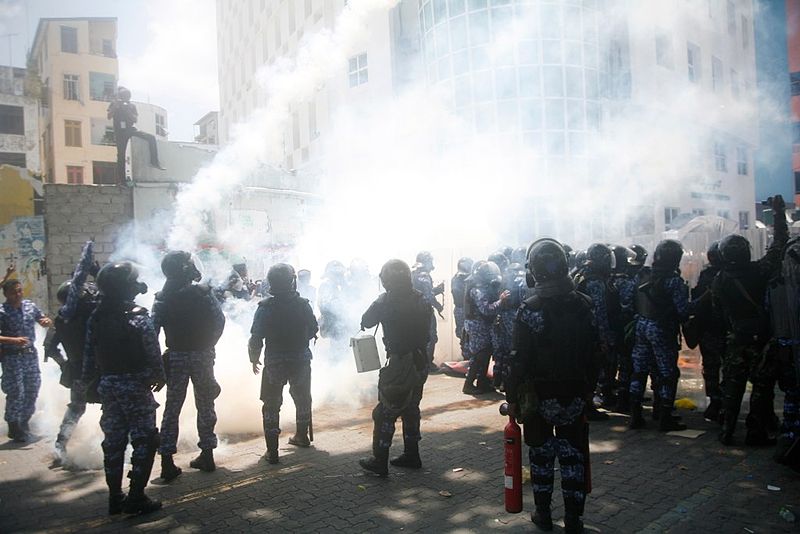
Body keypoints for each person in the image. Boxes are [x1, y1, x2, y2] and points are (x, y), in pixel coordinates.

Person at [505, 239, 601, 534]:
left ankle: (543, 515)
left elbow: (517, 362)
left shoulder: (529, 310)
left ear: (533, 272)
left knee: (541, 457)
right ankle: (574, 519)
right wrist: (589, 391)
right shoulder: (585, 305)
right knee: (574, 457)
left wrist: (512, 397)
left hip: (538, 398)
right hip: (575, 395)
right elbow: (596, 354)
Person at [82, 262, 164, 515]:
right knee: (145, 439)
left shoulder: (96, 316)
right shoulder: (137, 316)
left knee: (114, 441)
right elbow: (152, 350)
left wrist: (89, 383)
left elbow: (89, 354)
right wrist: (159, 375)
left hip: (109, 384)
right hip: (135, 384)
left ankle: (115, 497)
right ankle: (136, 497)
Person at [712, 195, 788, 445]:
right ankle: (756, 432)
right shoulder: (760, 271)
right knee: (762, 387)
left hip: (736, 337)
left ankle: (727, 429)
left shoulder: (719, 279)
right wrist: (778, 214)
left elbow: (717, 311)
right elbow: (779, 245)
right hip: (761, 338)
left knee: (733, 386)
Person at [154, 251, 226, 481]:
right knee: (205, 404)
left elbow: (151, 333)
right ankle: (207, 454)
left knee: (172, 408)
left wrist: (157, 364)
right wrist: (208, 345)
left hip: (176, 357)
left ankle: (166, 461)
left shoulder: (162, 299)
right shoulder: (203, 293)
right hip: (202, 356)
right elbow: (219, 321)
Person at [358, 259, 432, 477]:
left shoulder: (385, 301)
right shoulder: (421, 299)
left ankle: (379, 460)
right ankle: (412, 455)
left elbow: (366, 320)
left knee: (385, 413)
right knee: (411, 408)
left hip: (400, 363)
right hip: (420, 361)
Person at [248, 263, 318, 464]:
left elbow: (256, 337)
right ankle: (302, 436)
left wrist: (254, 358)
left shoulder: (265, 308)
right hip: (300, 359)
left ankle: (273, 451)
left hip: (275, 361)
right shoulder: (303, 304)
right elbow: (314, 328)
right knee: (303, 398)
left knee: (271, 404)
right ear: (291, 281)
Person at [629, 240, 693, 431]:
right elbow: (683, 311)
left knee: (639, 372)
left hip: (641, 326)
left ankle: (635, 415)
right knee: (668, 374)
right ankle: (665, 417)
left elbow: (628, 301)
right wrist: (702, 301)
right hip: (662, 330)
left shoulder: (642, 275)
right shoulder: (673, 281)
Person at [45, 241, 98, 463]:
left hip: (76, 370)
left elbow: (49, 347)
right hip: (98, 368)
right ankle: (117, 448)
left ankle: (60, 445)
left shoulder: (62, 319)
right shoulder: (90, 316)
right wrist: (96, 272)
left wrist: (64, 364)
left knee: (76, 408)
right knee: (113, 408)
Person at [0, 278, 52, 442]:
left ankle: (24, 422)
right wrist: (12, 340)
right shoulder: (2, 311)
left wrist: (46, 321)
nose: (18, 294)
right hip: (12, 357)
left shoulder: (30, 306)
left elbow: (42, 318)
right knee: (16, 392)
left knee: (33, 389)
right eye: (14, 292)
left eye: (20, 291)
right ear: (6, 294)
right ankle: (13, 426)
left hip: (30, 355)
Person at [573, 243, 617, 419]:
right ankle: (588, 406)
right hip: (591, 334)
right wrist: (604, 340)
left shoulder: (580, 275)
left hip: (580, 331)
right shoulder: (595, 282)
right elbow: (599, 313)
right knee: (592, 371)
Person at [691, 241, 726, 422]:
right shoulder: (730, 276)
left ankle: (715, 401)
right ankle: (725, 402)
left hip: (710, 331)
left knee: (711, 368)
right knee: (728, 369)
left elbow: (696, 301)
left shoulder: (706, 276)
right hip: (727, 330)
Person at [463, 261, 509, 395]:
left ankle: (482, 383)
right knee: (480, 355)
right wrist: (500, 301)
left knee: (485, 353)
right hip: (478, 326)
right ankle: (468, 384)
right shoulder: (478, 290)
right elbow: (486, 309)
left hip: (481, 325)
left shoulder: (481, 287)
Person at [107, 86, 164, 183]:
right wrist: (116, 106)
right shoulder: (114, 104)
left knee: (151, 138)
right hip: (120, 132)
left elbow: (135, 119)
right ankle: (122, 180)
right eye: (124, 96)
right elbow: (109, 116)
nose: (127, 98)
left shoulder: (131, 106)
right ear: (121, 96)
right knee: (121, 155)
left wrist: (127, 110)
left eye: (128, 96)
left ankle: (154, 162)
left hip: (130, 129)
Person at [411, 251, 444, 372]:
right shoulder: (424, 275)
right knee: (430, 337)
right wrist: (438, 305)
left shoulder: (413, 273)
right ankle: (427, 363)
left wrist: (436, 290)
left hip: (414, 312)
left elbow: (421, 293)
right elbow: (428, 296)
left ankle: (420, 362)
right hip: (425, 312)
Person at [451, 257, 473, 360]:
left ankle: (468, 359)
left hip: (464, 310)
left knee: (467, 335)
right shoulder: (459, 279)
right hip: (462, 310)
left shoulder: (457, 278)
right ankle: (467, 359)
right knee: (464, 335)